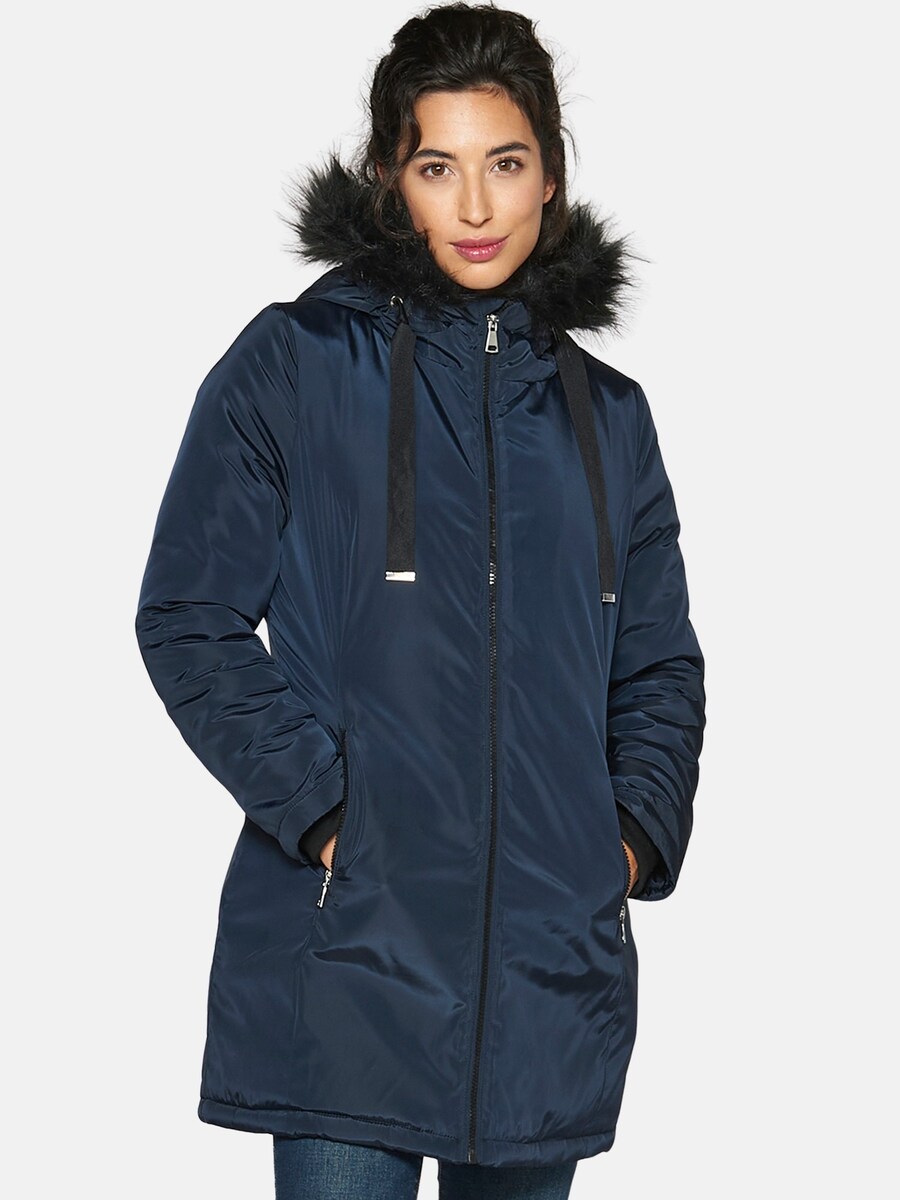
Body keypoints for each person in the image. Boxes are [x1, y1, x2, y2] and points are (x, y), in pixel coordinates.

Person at [134, 3, 706, 1197]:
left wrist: (621, 843)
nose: (478, 206)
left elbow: (657, 666)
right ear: (393, 179)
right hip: (349, 961)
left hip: (546, 980)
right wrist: (330, 814)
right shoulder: (295, 363)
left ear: (551, 174)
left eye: (507, 163)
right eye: (438, 167)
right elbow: (188, 613)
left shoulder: (611, 418)